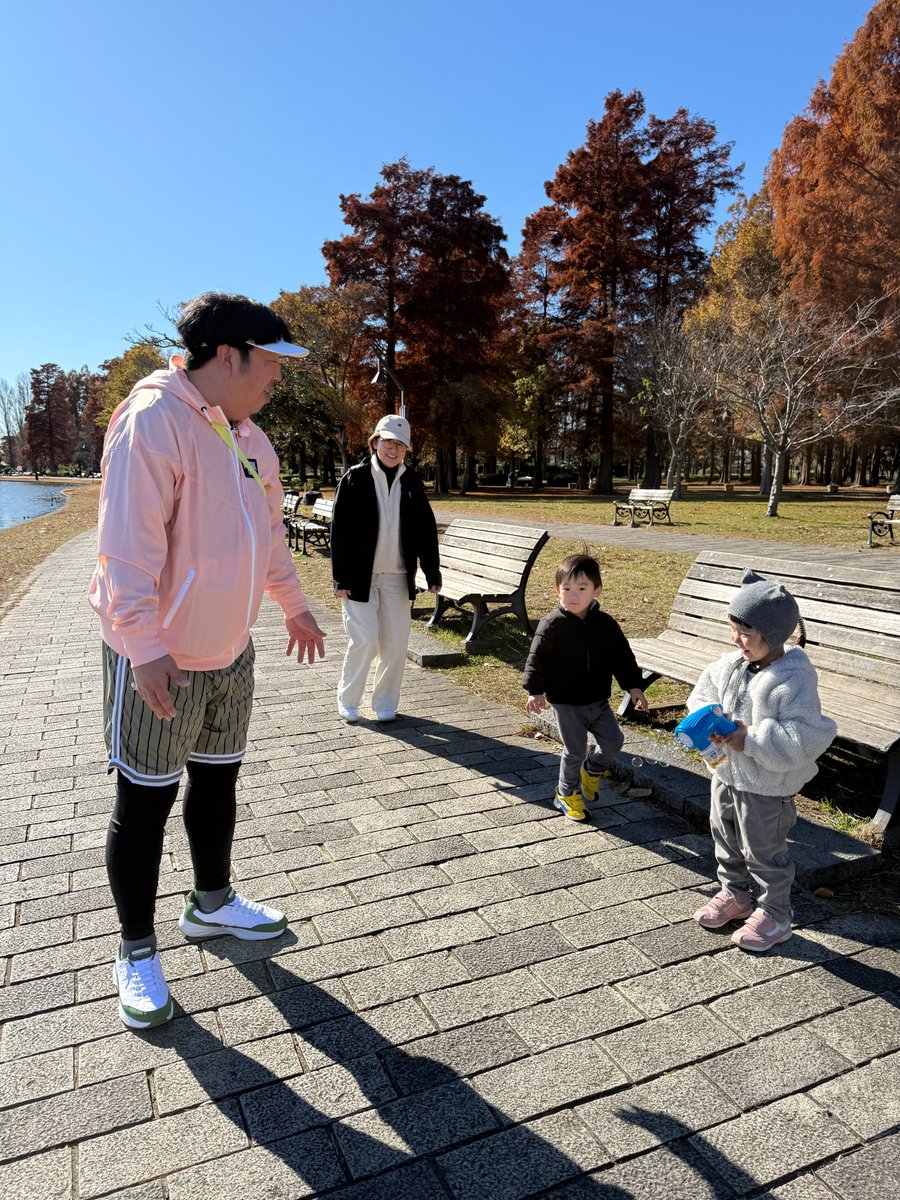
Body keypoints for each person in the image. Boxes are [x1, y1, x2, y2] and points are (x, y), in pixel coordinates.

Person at [88, 292, 326, 1029]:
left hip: (230, 649)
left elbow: (268, 536)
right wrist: (146, 647)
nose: (279, 378)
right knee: (146, 801)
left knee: (218, 784)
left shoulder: (250, 437)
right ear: (230, 356)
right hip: (161, 655)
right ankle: (135, 951)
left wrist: (292, 602)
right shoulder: (153, 420)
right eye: (274, 363)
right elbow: (124, 548)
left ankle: (212, 904)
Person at [688, 569, 836, 952]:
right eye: (733, 629)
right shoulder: (730, 665)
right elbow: (702, 693)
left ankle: (776, 914)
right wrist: (709, 718)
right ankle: (736, 895)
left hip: (767, 786)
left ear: (772, 636)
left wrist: (748, 738)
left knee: (764, 851)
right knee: (725, 838)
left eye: (745, 634)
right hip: (726, 774)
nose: (737, 640)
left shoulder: (792, 679)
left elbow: (805, 738)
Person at [330, 413, 441, 723]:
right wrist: (340, 577)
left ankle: (384, 704)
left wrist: (432, 573)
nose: (394, 450)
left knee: (395, 643)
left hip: (397, 577)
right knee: (364, 639)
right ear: (375, 442)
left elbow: (425, 530)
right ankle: (348, 699)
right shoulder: (355, 477)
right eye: (388, 443)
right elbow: (339, 531)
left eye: (400, 445)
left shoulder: (412, 482)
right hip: (358, 578)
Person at [524, 552, 648, 821]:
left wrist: (634, 686)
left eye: (582, 588)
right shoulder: (552, 625)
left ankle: (591, 771)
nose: (573, 595)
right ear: (557, 589)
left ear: (596, 590)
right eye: (566, 588)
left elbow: (622, 657)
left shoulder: (605, 625)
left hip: (598, 700)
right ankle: (566, 793)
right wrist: (535, 691)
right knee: (575, 750)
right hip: (566, 703)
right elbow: (537, 660)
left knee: (614, 742)